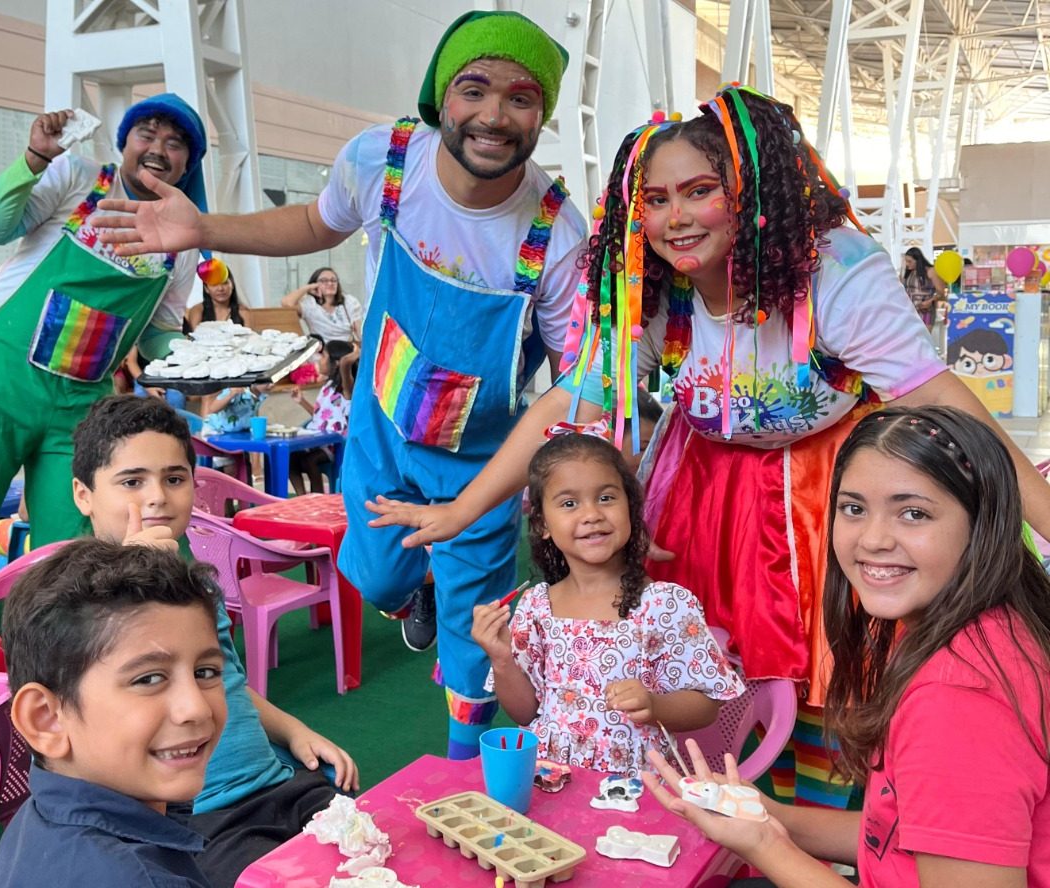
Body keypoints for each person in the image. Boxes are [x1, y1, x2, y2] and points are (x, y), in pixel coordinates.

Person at [366, 86, 1050, 800]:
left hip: (823, 487)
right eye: (657, 199)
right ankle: (723, 807)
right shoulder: (653, 287)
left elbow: (944, 404)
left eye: (700, 191)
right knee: (705, 662)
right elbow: (571, 400)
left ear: (750, 193)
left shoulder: (835, 274)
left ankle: (821, 823)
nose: (676, 218)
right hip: (705, 491)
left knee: (836, 669)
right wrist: (462, 511)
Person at [93, 10, 590, 758]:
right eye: (474, 88)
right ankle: (412, 589)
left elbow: (572, 383)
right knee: (378, 578)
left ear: (541, 115)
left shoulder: (557, 233)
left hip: (481, 463)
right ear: (440, 96)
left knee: (476, 633)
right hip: (384, 434)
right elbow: (312, 224)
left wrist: (509, 496)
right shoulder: (385, 161)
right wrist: (204, 230)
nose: (493, 115)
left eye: (521, 98)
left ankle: (463, 761)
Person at [646, 405, 1050, 888]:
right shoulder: (974, 629)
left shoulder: (960, 697)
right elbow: (899, 835)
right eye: (854, 508)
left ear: (983, 524)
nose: (873, 539)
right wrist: (766, 817)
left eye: (913, 513)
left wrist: (765, 846)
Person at [0, 94, 206, 617]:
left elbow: (159, 333)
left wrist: (206, 359)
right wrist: (35, 157)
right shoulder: (80, 178)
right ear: (124, 143)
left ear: (188, 163)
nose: (158, 149)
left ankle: (78, 637)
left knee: (86, 525)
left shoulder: (182, 243)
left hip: (81, 398)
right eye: (147, 134)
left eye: (175, 143)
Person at [70, 394, 358, 888]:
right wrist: (132, 584)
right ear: (84, 495)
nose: (157, 497)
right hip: (201, 818)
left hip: (277, 784)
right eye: (132, 482)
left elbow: (225, 682)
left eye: (174, 479)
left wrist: (294, 731)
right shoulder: (81, 604)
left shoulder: (197, 587)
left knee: (369, 848)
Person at [474, 431, 742, 776]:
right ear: (542, 524)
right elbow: (525, 712)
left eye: (606, 498)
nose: (592, 514)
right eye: (569, 504)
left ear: (630, 508)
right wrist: (501, 659)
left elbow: (707, 706)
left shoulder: (665, 605)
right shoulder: (536, 606)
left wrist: (654, 705)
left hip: (636, 786)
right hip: (550, 779)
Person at [0, 539, 225, 888]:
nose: (197, 708)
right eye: (149, 679)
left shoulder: (41, 819)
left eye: (205, 672)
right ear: (46, 720)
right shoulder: (141, 880)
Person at [289, 338, 355, 494]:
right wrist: (302, 401)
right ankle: (301, 499)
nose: (320, 360)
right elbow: (320, 417)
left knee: (309, 460)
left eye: (324, 356)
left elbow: (345, 369)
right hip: (317, 440)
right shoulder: (327, 386)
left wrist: (352, 356)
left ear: (337, 363)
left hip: (334, 444)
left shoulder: (347, 388)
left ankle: (317, 498)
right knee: (289, 458)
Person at [281, 267, 363, 343]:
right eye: (324, 281)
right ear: (315, 284)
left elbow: (359, 331)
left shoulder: (349, 301)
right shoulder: (309, 304)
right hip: (321, 349)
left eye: (333, 280)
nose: (330, 283)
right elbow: (287, 304)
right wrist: (308, 288)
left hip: (348, 347)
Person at [185, 256, 245, 334]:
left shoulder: (243, 312)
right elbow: (195, 337)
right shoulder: (197, 311)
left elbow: (250, 339)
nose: (220, 288)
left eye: (225, 283)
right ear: (206, 288)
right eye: (214, 284)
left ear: (232, 285)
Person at [901, 246, 946, 329]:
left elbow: (941, 292)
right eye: (906, 261)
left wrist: (930, 301)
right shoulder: (908, 274)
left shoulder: (930, 271)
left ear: (918, 260)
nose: (907, 264)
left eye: (910, 261)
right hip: (910, 311)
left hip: (926, 311)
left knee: (924, 336)